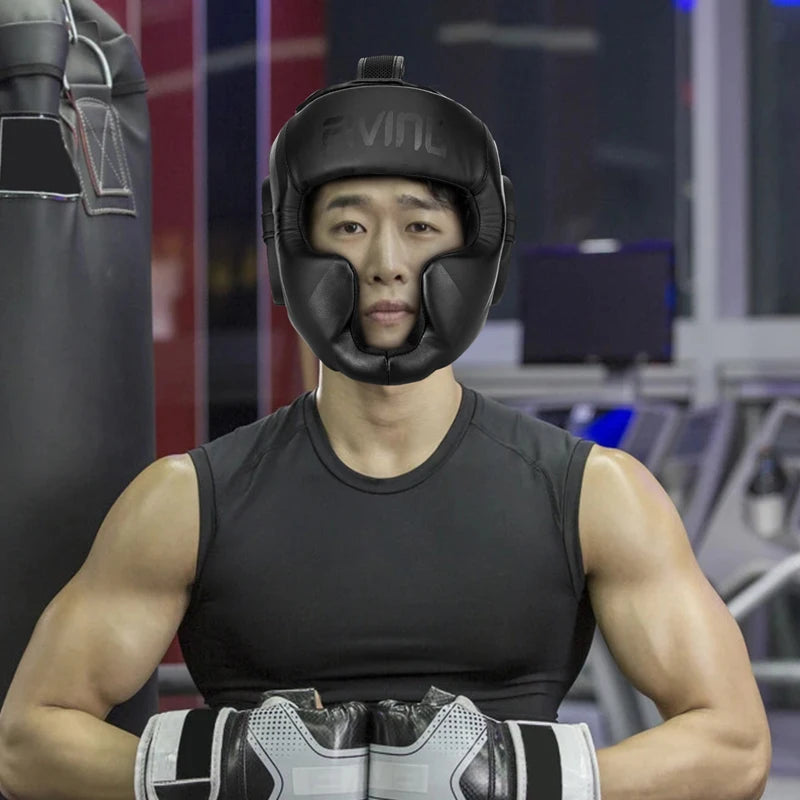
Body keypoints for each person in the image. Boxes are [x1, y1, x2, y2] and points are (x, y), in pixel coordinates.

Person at [0, 56, 771, 800]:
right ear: (293, 248)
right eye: (348, 225)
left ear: (479, 245)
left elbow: (734, 745)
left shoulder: (596, 495)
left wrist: (525, 777)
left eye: (420, 224)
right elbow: (27, 743)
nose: (387, 261)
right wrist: (218, 771)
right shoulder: (185, 502)